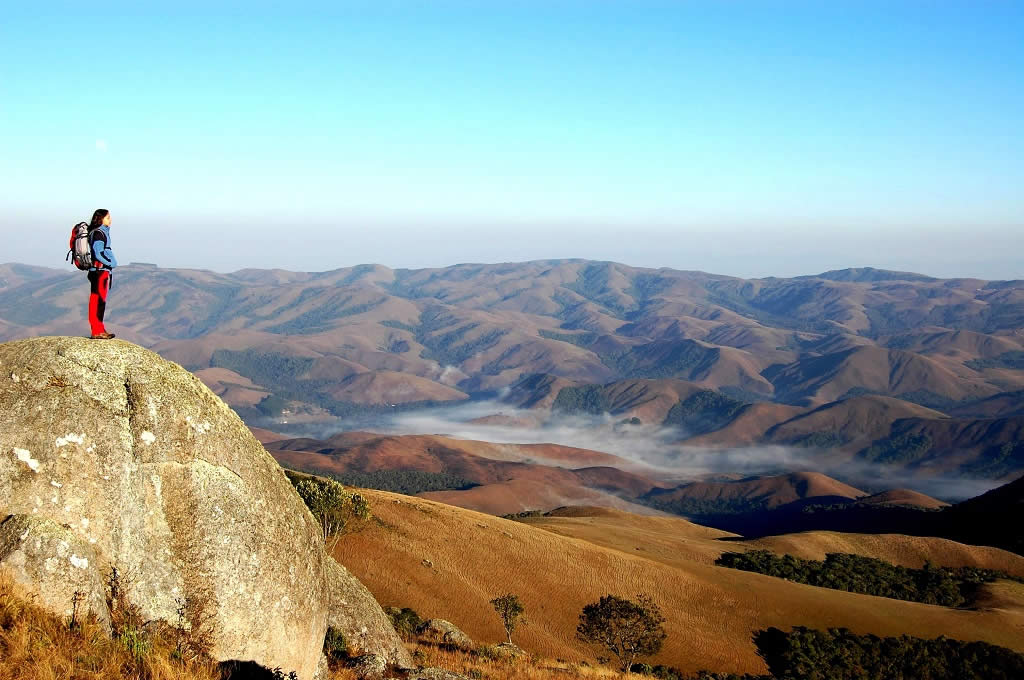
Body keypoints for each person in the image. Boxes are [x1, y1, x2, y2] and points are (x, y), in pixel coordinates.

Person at [86, 209, 118, 339]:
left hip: (97, 271)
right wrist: (110, 263)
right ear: (100, 219)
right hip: (101, 272)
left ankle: (99, 329)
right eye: (108, 217)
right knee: (99, 301)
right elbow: (98, 252)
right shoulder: (99, 233)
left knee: (96, 300)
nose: (110, 220)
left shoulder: (97, 232)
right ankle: (97, 331)